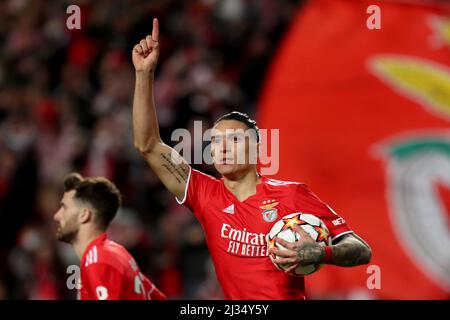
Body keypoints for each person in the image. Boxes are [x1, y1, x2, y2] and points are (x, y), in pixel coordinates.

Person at [132, 18, 372, 299]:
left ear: (258, 151)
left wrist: (323, 251)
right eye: (216, 141)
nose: (222, 148)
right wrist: (144, 74)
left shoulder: (291, 195)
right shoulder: (204, 194)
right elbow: (147, 144)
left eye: (234, 140)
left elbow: (361, 250)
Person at [54, 173, 166, 300]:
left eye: (64, 207)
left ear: (84, 215)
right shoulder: (115, 252)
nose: (56, 215)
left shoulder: (99, 262)